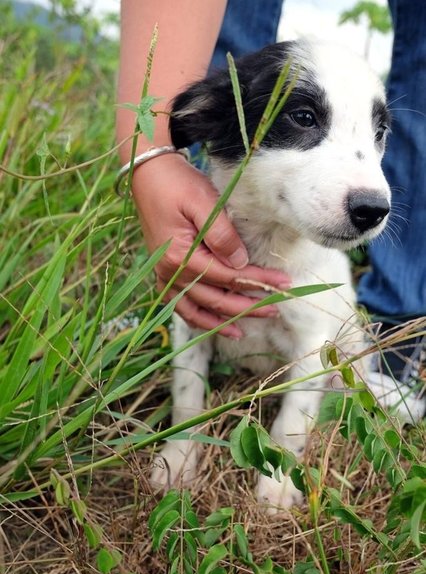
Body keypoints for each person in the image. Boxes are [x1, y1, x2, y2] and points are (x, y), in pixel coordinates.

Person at [117, 0, 425, 417]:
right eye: (303, 117)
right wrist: (152, 157)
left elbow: (312, 346)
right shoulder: (219, 105)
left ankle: (397, 334)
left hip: (318, 340)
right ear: (214, 116)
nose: (372, 188)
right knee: (193, 316)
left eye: (378, 132)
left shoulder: (319, 270)